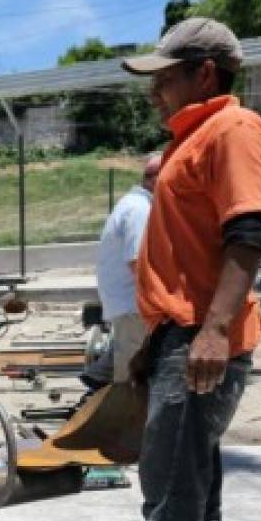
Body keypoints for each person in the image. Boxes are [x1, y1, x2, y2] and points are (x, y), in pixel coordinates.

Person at [102, 17, 261, 521]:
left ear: (204, 73)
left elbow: (248, 233)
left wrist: (212, 330)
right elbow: (181, 256)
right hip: (180, 332)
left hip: (204, 339)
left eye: (163, 80)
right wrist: (159, 335)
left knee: (167, 480)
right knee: (192, 472)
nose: (154, 94)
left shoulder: (232, 130)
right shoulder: (190, 139)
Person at [84, 153, 162, 389]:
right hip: (133, 306)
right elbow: (137, 261)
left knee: (130, 369)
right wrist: (162, 301)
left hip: (128, 304)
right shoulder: (140, 210)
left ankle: (101, 380)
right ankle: (128, 422)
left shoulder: (135, 204)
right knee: (132, 379)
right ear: (157, 180)